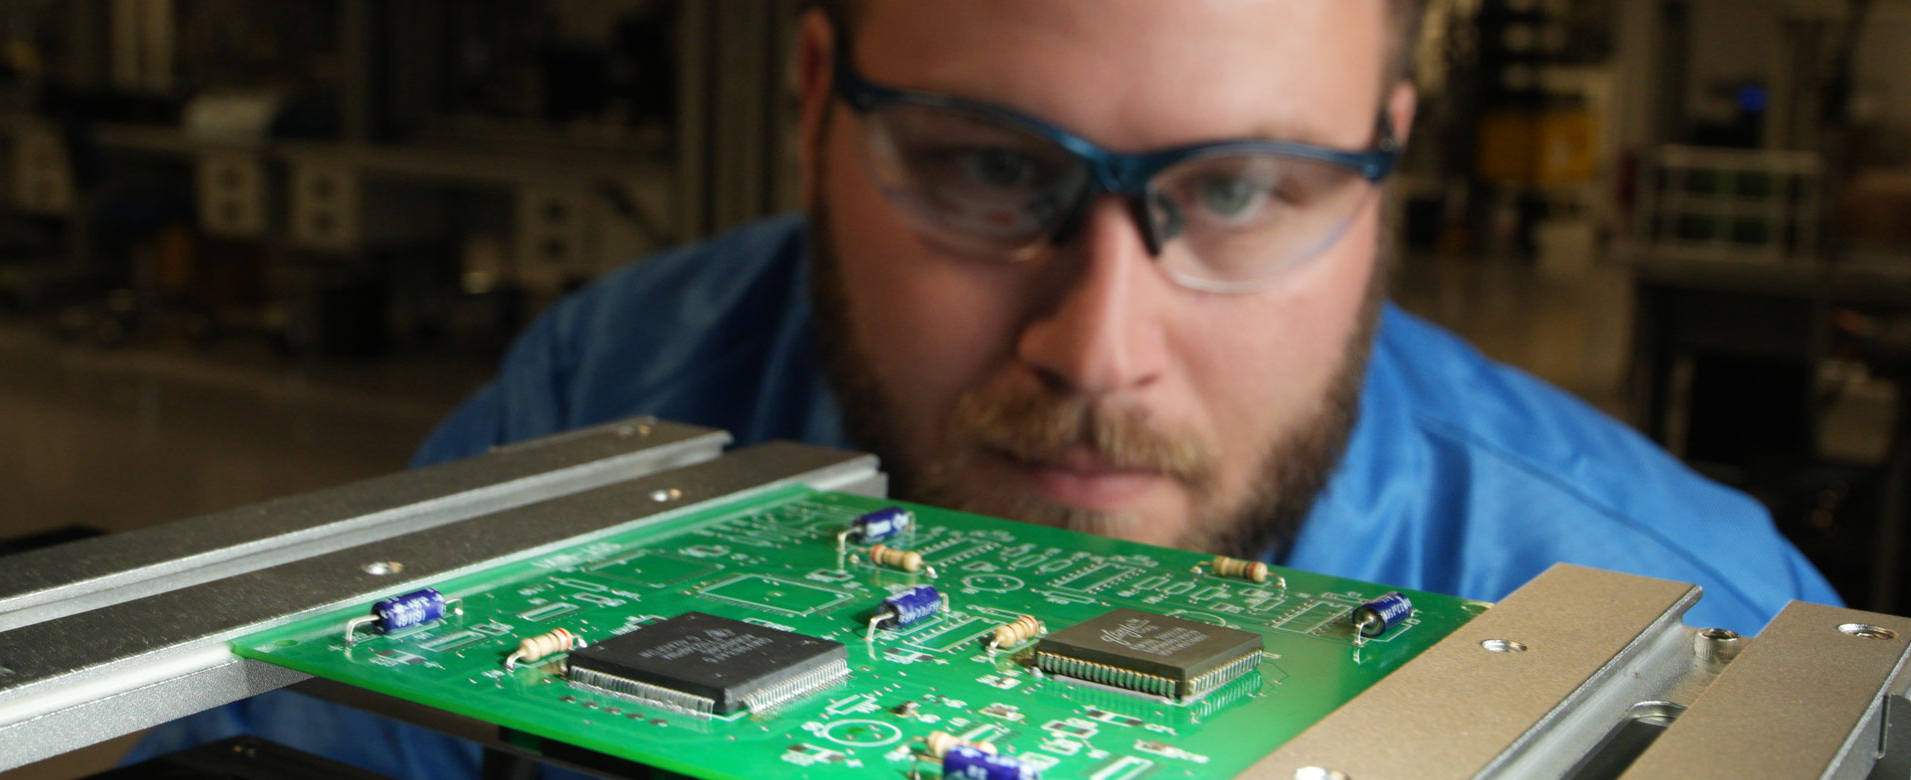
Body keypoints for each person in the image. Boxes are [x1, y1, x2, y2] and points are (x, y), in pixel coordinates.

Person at [128, 1, 1839, 777]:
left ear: (1382, 167)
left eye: (1241, 190)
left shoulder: (1721, 634)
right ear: (817, 100)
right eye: (978, 169)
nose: (1097, 350)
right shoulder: (622, 396)